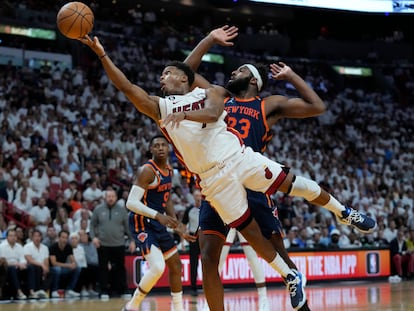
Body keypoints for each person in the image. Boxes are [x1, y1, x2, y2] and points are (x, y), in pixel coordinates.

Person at [79, 34, 376, 311]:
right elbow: (131, 87)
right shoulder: (161, 106)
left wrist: (180, 111)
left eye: (167, 74)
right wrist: (103, 54)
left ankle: (343, 212)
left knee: (292, 187)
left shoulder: (218, 93)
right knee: (237, 241)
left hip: (241, 158)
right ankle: (290, 276)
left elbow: (205, 103)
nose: (161, 77)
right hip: (212, 179)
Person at [183, 25, 375, 311]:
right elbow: (182, 75)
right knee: (208, 259)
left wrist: (291, 76)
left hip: (250, 177)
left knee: (279, 254)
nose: (232, 74)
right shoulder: (218, 96)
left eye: (238, 72)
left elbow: (317, 106)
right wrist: (210, 39)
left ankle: (344, 212)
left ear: (253, 80)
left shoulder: (267, 104)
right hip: (218, 184)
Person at [123, 135, 195, 311]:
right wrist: (158, 216)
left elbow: (167, 198)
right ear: (151, 150)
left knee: (176, 264)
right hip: (142, 222)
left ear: (168, 148)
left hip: (157, 222)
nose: (161, 148)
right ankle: (131, 306)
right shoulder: (147, 170)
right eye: (157, 145)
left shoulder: (169, 171)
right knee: (157, 267)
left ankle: (178, 308)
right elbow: (130, 203)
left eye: (164, 145)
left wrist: (177, 226)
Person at [89, 188, 135, 299]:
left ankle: (123, 290)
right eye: (108, 196)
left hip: (119, 244)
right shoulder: (98, 210)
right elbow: (92, 225)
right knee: (103, 268)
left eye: (112, 196)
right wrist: (93, 237)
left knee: (120, 268)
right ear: (105, 197)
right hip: (103, 244)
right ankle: (104, 290)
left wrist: (132, 241)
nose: (110, 198)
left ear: (116, 197)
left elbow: (127, 227)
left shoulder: (122, 210)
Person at [49, 230, 81, 298]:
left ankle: (69, 290)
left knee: (78, 268)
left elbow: (73, 260)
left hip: (62, 268)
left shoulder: (68, 247)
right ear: (59, 238)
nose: (64, 239)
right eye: (63, 237)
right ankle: (54, 290)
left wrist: (74, 264)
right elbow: (54, 263)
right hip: (52, 268)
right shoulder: (53, 247)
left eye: (66, 238)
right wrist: (69, 265)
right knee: (57, 269)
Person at [181, 188, 202, 296]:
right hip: (193, 238)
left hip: (205, 238)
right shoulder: (189, 209)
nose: (198, 198)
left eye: (199, 195)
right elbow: (183, 226)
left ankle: (208, 286)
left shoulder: (206, 208)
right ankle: (193, 287)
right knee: (193, 263)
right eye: (196, 196)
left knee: (208, 263)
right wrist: (182, 241)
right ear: (193, 197)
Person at [23, 229, 51, 299]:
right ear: (32, 237)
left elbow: (46, 261)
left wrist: (46, 269)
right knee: (35, 268)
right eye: (35, 236)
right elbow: (29, 260)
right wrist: (42, 265)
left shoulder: (45, 248)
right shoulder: (27, 246)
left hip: (42, 267)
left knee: (52, 272)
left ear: (41, 237)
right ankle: (33, 291)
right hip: (32, 267)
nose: (37, 238)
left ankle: (42, 290)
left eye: (39, 236)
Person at [0, 228, 27, 300]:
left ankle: (32, 291)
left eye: (14, 235)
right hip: (6, 268)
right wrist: (16, 264)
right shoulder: (1, 247)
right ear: (7, 237)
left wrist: (22, 264)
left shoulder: (19, 246)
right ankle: (19, 292)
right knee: (11, 269)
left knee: (30, 268)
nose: (13, 237)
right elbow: (2, 262)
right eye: (11, 236)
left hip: (18, 267)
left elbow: (23, 259)